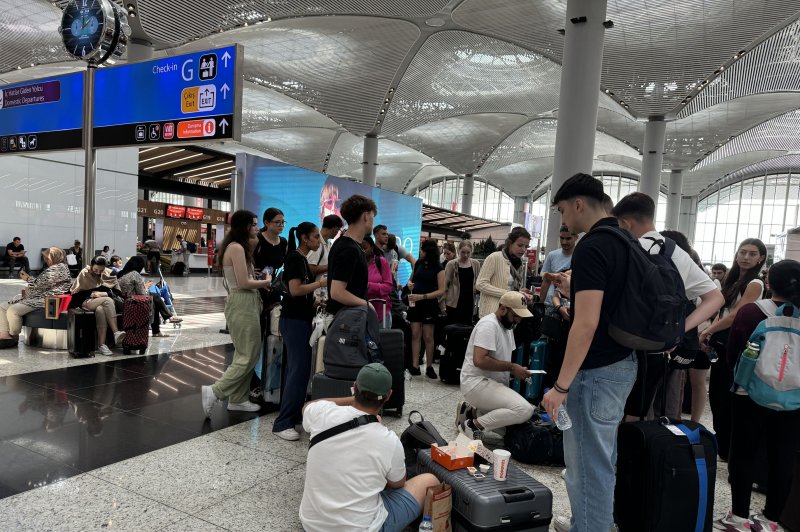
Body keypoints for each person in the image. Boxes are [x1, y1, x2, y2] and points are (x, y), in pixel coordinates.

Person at [541, 174, 638, 532]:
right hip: (622, 364)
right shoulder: (625, 238)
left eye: (563, 210)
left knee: (588, 466)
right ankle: (588, 522)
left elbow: (586, 323)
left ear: (578, 204)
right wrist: (574, 284)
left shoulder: (593, 245)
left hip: (595, 370)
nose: (564, 220)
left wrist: (561, 387)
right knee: (600, 460)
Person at [611, 193, 724, 422]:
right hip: (657, 347)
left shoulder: (626, 247)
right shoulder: (678, 253)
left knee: (613, 411)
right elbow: (715, 298)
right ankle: (630, 455)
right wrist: (680, 328)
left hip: (620, 343)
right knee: (637, 411)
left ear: (626, 222)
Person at [300, 363, 440, 532]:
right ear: (389, 396)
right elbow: (397, 484)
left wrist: (353, 400)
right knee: (429, 481)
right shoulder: (388, 439)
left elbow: (309, 405)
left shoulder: (322, 413)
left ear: (354, 387)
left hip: (312, 523)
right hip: (362, 528)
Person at [714, 260, 800, 532]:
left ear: (769, 283)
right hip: (794, 399)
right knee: (783, 455)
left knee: (743, 453)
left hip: (749, 393)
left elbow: (734, 351)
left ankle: (739, 517)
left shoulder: (753, 312)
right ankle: (771, 520)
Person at [699, 238, 766, 461]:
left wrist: (708, 331)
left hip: (735, 342)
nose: (746, 257)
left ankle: (728, 448)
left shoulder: (755, 283)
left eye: (752, 254)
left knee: (726, 395)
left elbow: (737, 313)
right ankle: (723, 445)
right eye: (743, 252)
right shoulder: (733, 279)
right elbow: (723, 309)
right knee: (717, 394)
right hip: (721, 339)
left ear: (761, 258)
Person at [201, 210, 272, 416]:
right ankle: (215, 390)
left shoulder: (237, 247)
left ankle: (238, 398)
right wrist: (266, 282)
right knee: (248, 354)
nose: (258, 229)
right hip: (243, 301)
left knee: (246, 353)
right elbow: (243, 283)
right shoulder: (237, 248)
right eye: (254, 225)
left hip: (244, 301)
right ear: (244, 226)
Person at [273, 222, 328, 441]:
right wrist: (320, 284)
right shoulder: (295, 258)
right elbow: (295, 290)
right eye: (316, 237)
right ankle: (283, 422)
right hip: (293, 321)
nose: (318, 241)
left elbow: (300, 292)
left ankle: (292, 415)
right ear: (305, 238)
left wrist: (314, 302)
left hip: (299, 319)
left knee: (297, 371)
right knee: (298, 371)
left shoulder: (302, 260)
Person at [455, 291, 535, 440]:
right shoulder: (488, 325)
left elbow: (501, 358)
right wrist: (512, 367)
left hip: (490, 384)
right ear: (503, 309)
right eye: (515, 315)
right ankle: (473, 425)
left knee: (508, 430)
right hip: (476, 383)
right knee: (524, 410)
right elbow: (479, 360)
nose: (518, 320)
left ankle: (472, 413)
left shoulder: (507, 326)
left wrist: (516, 370)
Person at [0, 247, 72, 348]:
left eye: (48, 258)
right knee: (2, 307)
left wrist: (27, 278)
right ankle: (4, 335)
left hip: (45, 300)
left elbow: (38, 284)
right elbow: (41, 283)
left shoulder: (59, 268)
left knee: (13, 310)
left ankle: (13, 335)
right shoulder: (58, 267)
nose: (46, 261)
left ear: (55, 257)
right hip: (36, 298)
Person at [327, 195, 376, 317]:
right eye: (372, 217)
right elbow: (337, 292)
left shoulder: (343, 243)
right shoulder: (350, 249)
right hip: (346, 323)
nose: (373, 222)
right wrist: (366, 304)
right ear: (365, 216)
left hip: (346, 319)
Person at [69, 256, 126, 356]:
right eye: (96, 269)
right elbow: (77, 293)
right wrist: (93, 294)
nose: (98, 272)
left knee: (100, 310)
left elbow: (117, 293)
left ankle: (101, 345)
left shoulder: (110, 273)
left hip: (102, 303)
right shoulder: (85, 273)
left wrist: (102, 294)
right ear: (91, 266)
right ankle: (116, 332)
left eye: (101, 270)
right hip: (87, 302)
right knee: (108, 301)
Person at [407, 239, 446, 378]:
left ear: (428, 251)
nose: (420, 252)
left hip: (429, 304)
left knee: (428, 336)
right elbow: (411, 280)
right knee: (415, 334)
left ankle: (429, 366)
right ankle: (414, 365)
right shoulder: (418, 263)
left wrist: (423, 296)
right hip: (415, 303)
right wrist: (410, 284)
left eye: (422, 249)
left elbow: (441, 290)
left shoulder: (439, 268)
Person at [475, 226, 532, 318]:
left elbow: (511, 288)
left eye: (526, 247)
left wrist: (521, 293)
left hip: (510, 314)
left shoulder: (519, 264)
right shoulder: (495, 257)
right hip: (491, 313)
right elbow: (480, 284)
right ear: (510, 243)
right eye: (520, 245)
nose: (523, 250)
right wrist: (508, 293)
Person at [116, 255, 170, 338]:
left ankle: (166, 319)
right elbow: (142, 294)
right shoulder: (135, 274)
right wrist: (146, 287)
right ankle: (161, 325)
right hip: (133, 303)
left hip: (123, 301)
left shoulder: (121, 274)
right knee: (154, 298)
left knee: (153, 297)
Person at [254, 207, 289, 311]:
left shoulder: (283, 242)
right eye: (277, 222)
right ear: (267, 223)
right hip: (255, 285)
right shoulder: (257, 239)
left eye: (283, 222)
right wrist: (249, 270)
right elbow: (245, 258)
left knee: (273, 318)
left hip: (273, 286)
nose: (281, 225)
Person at [443, 240, 481, 326]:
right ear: (458, 250)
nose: (465, 255)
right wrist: (442, 304)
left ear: (471, 251)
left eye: (468, 252)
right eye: (463, 252)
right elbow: (445, 284)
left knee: (465, 329)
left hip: (469, 302)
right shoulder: (451, 264)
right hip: (453, 302)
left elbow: (478, 282)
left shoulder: (476, 264)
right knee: (452, 329)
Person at [538, 226, 576, 307]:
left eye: (568, 238)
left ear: (576, 237)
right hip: (550, 303)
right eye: (562, 238)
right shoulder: (552, 255)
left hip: (570, 305)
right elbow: (545, 280)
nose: (564, 242)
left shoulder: (581, 256)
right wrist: (540, 304)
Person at [362, 236, 393, 328]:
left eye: (365, 247)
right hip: (362, 313)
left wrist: (369, 286)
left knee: (382, 341)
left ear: (372, 247)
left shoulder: (381, 262)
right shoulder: (357, 263)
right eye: (359, 248)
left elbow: (388, 287)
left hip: (381, 313)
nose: (362, 250)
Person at [306, 214, 343, 279]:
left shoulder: (328, 243)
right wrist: (331, 265)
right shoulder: (317, 244)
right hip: (316, 288)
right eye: (338, 230)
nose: (338, 232)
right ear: (335, 228)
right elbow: (310, 268)